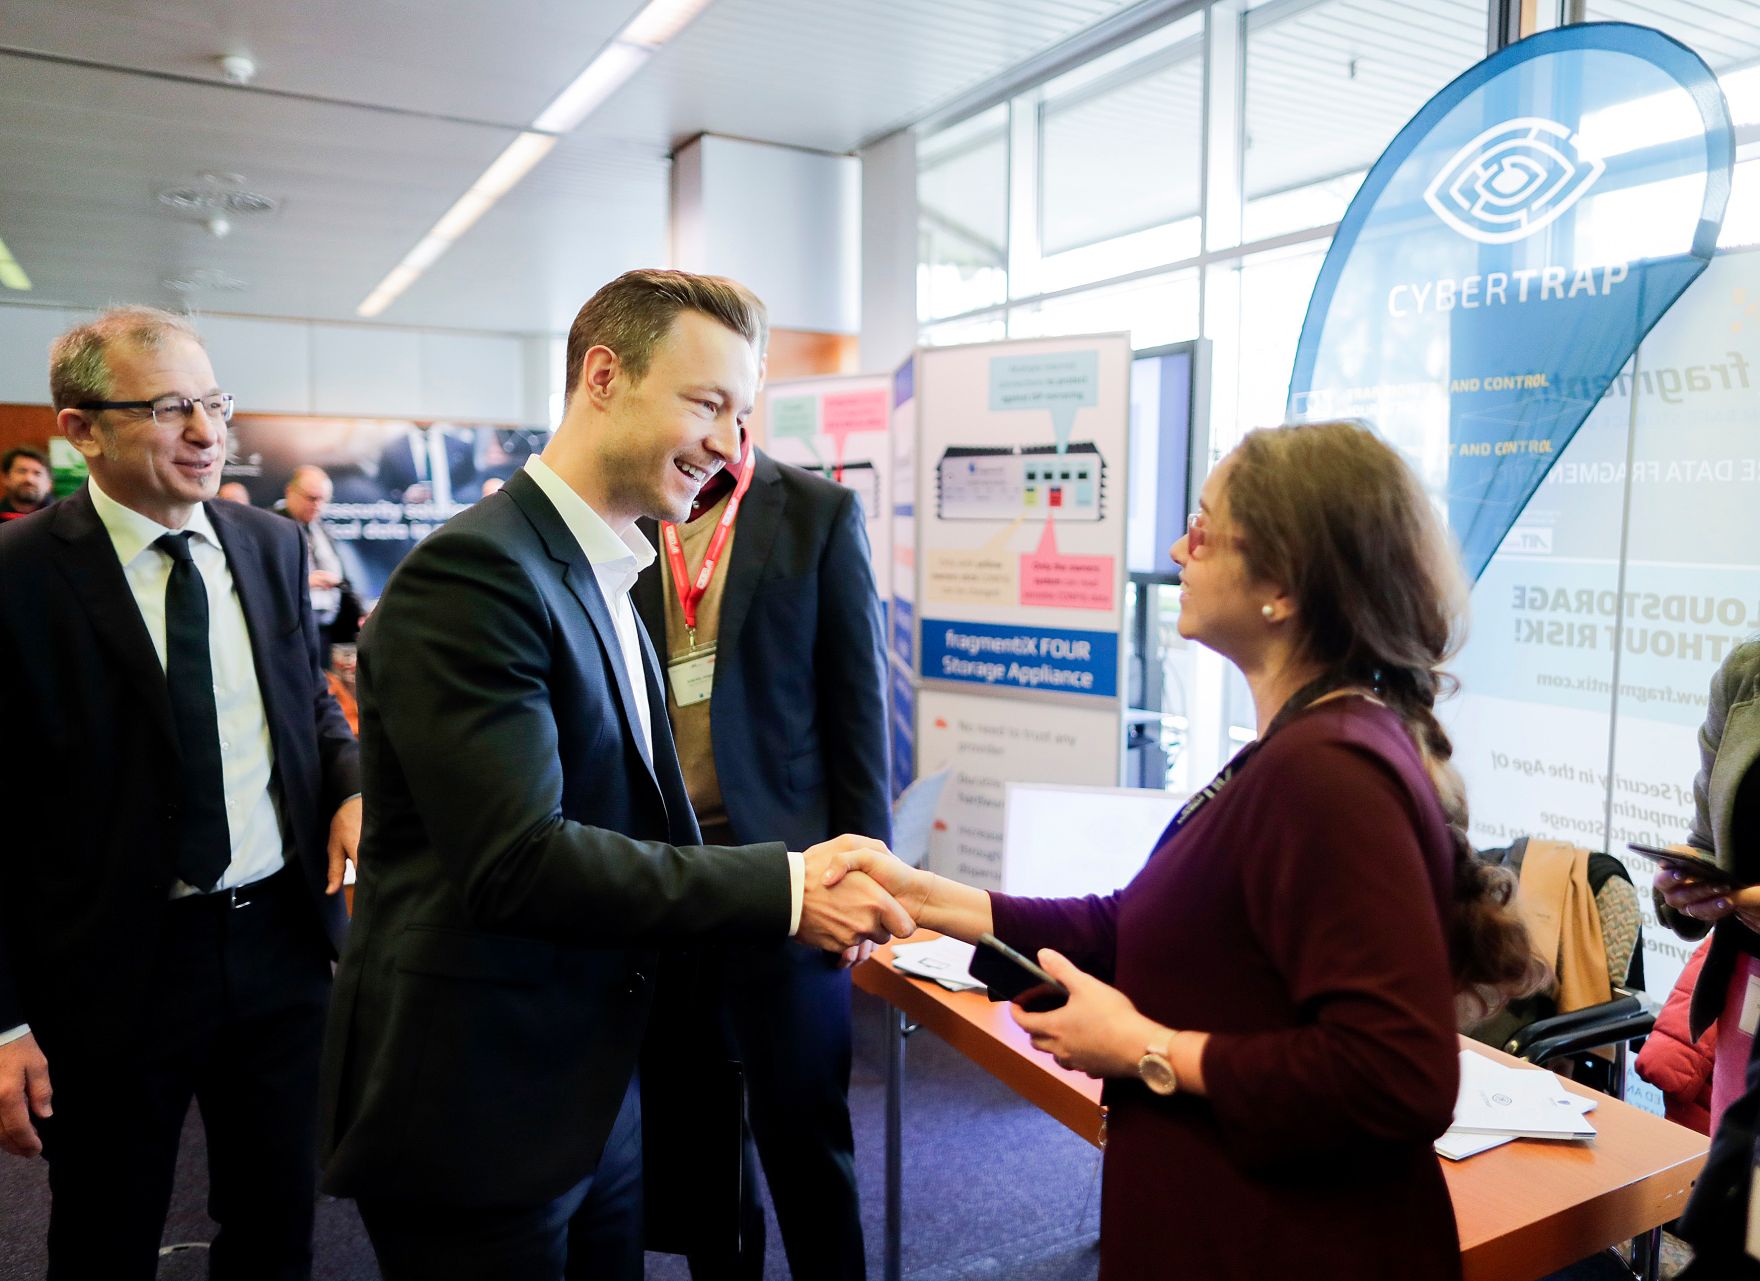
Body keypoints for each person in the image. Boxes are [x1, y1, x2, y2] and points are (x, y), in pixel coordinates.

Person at [834, 420, 1543, 1280]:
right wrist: (930, 897)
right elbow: (1136, 925)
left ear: (1282, 579)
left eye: (1204, 528)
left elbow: (1397, 1073)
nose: (1177, 548)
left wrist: (1146, 1048)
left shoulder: (1331, 772)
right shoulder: (1301, 745)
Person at [317, 269, 913, 1281]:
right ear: (603, 376)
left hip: (596, 1083)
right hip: (483, 1098)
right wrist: (784, 887)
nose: (729, 443)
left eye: (741, 411)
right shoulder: (475, 576)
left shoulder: (604, 563)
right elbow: (517, 862)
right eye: (705, 403)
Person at [0, 306, 362, 1280]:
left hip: (282, 952)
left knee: (280, 1224)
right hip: (110, 968)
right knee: (106, 1236)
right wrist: (2, 1021)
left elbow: (311, 711)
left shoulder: (271, 545)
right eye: (168, 409)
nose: (207, 433)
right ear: (80, 429)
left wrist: (348, 783)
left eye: (214, 402)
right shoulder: (19, 575)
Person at [633, 320, 889, 1279]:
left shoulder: (816, 513)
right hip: (675, 881)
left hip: (799, 879)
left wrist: (867, 869)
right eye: (704, 400)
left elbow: (856, 708)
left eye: (735, 402)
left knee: (806, 1138)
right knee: (701, 1152)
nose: (720, 425)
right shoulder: (632, 517)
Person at [1649, 639, 1760, 1276]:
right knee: (1741, 1226)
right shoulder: (1748, 675)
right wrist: (1685, 889)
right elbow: (1704, 842)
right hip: (1747, 1006)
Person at [276, 464, 361, 664]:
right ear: (290, 492)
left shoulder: (321, 529)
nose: (318, 506)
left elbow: (344, 579)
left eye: (324, 500)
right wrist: (305, 582)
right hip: (290, 631)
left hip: (326, 631)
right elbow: (260, 581)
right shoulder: (269, 529)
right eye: (312, 498)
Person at [0, 446, 52, 519]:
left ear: (49, 484)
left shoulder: (63, 518)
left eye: (37, 473)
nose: (29, 479)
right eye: (22, 471)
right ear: (6, 478)